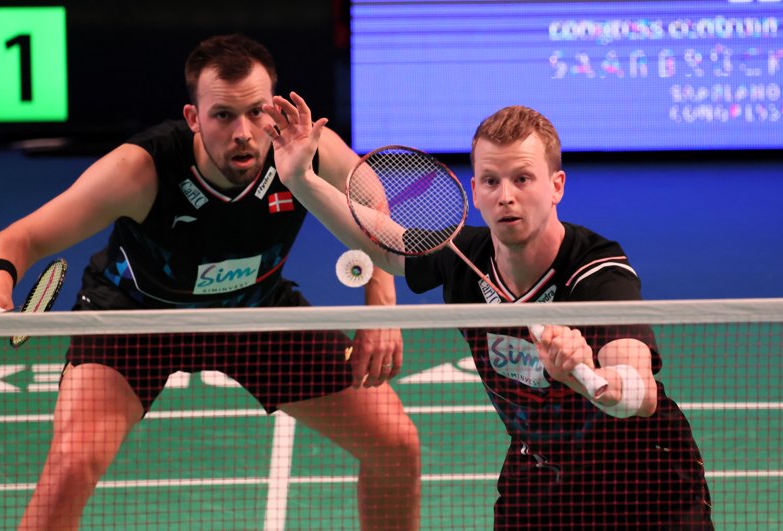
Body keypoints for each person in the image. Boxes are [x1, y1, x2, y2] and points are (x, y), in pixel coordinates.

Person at [0, 34, 421, 530]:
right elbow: (22, 238)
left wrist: (381, 310)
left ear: (276, 110)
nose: (243, 132)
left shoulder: (305, 149)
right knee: (72, 464)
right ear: (194, 118)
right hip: (135, 320)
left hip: (256, 313)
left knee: (396, 447)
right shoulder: (140, 170)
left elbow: (373, 209)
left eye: (257, 112)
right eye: (223, 115)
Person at [263, 96, 713, 529]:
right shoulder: (464, 256)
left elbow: (641, 392)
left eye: (523, 178)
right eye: (492, 181)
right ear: (475, 191)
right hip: (541, 476)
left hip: (645, 486)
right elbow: (384, 240)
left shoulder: (595, 270)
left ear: (556, 186)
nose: (506, 196)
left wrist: (587, 374)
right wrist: (302, 180)